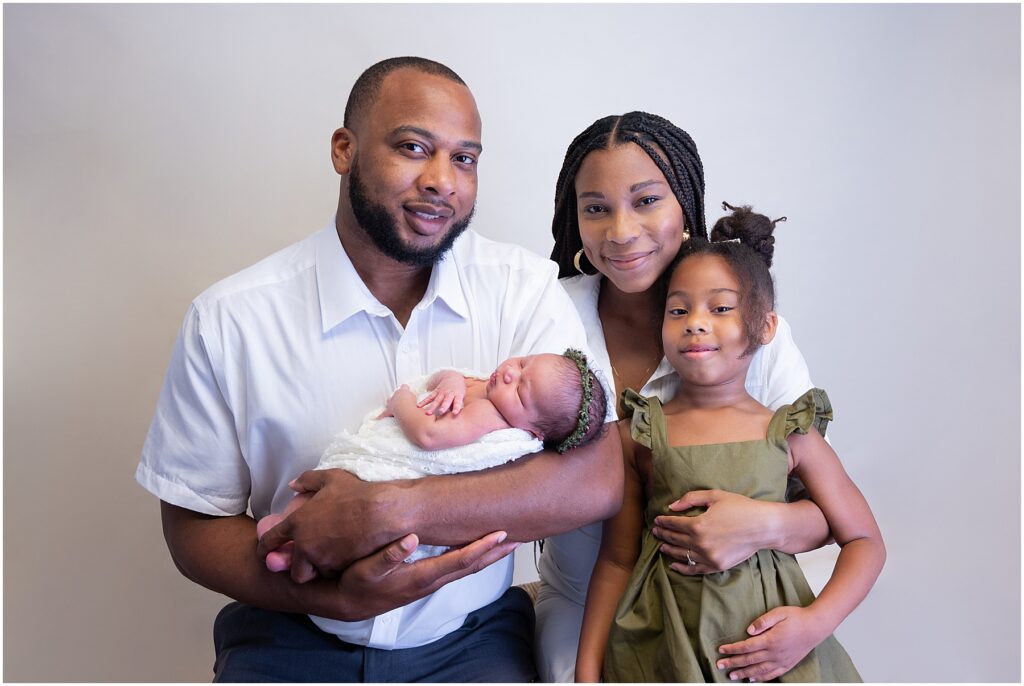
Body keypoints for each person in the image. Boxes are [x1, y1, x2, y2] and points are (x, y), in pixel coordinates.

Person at [136, 56, 622, 682]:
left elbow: (597, 476)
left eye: (465, 159)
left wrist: (395, 511)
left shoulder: (522, 289)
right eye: (414, 147)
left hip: (471, 639)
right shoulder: (229, 319)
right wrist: (323, 596)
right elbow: (194, 525)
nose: (443, 180)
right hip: (290, 631)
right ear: (344, 149)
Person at [537, 112, 834, 681]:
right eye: (595, 208)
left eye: (646, 200)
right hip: (585, 605)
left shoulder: (747, 331)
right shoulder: (544, 315)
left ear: (686, 204)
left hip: (728, 605)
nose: (621, 231)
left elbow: (822, 504)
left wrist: (758, 525)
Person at [576, 205, 885, 682]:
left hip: (774, 651)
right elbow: (617, 559)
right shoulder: (639, 433)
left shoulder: (791, 432)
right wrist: (587, 671)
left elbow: (865, 541)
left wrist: (812, 625)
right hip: (664, 648)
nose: (695, 323)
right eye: (679, 310)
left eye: (720, 309)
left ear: (764, 328)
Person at [258, 349, 609, 569]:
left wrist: (401, 404)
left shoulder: (491, 418)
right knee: (323, 494)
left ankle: (287, 542)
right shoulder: (488, 387)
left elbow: (428, 436)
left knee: (336, 497)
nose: (508, 374)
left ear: (532, 432)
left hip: (396, 462)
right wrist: (452, 383)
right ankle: (287, 529)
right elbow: (445, 374)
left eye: (520, 390)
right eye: (522, 363)